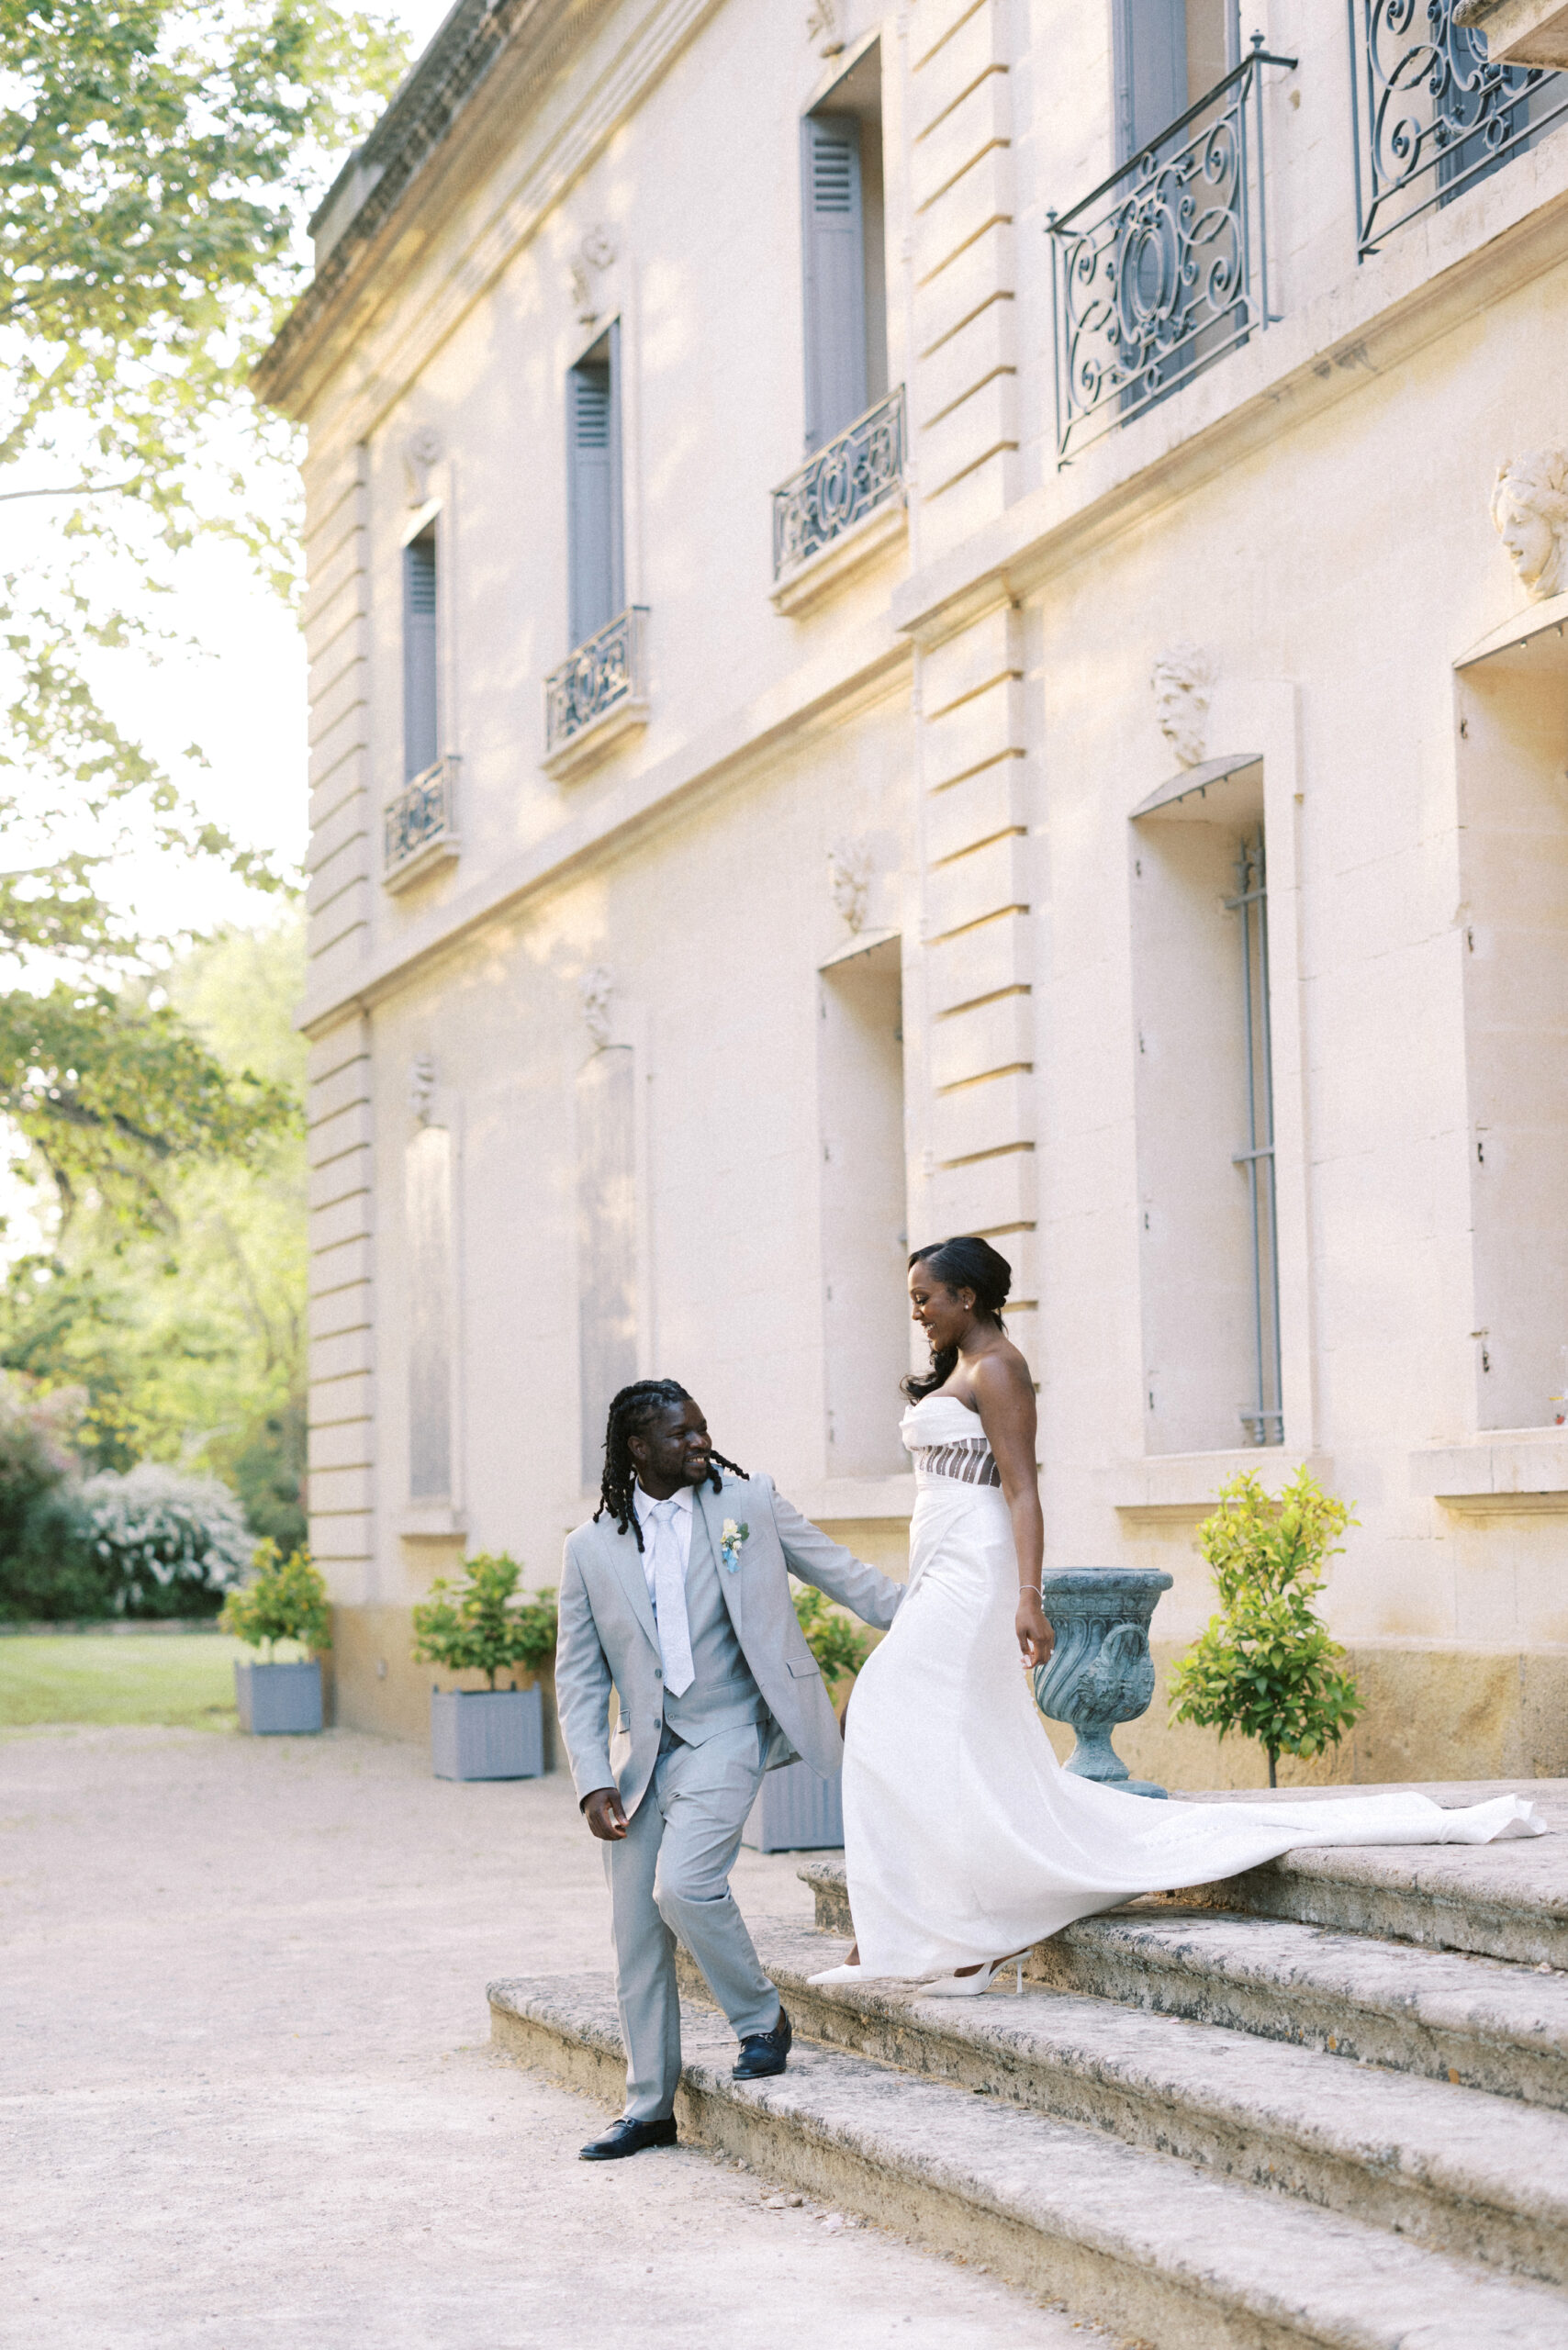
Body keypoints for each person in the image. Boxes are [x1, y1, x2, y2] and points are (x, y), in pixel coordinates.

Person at [811, 1237, 1546, 1997]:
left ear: (967, 1296)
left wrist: (1029, 1597)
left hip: (976, 1569)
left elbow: (1023, 1490)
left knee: (883, 1708)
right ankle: (936, 1934)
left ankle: (940, 1936)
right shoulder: (962, 1366)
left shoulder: (999, 1367)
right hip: (939, 1561)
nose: (918, 1313)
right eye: (913, 1300)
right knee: (942, 1737)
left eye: (925, 1298)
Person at [556, 1377, 903, 2159]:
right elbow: (578, 1676)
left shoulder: (749, 1503)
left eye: (702, 1429)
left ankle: (759, 2018)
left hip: (729, 1728)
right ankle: (649, 2106)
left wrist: (934, 1609)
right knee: (636, 1931)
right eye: (680, 1436)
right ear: (637, 1449)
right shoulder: (588, 1550)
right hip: (642, 1754)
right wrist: (591, 1778)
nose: (699, 1444)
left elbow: (843, 1574)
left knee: (683, 1885)